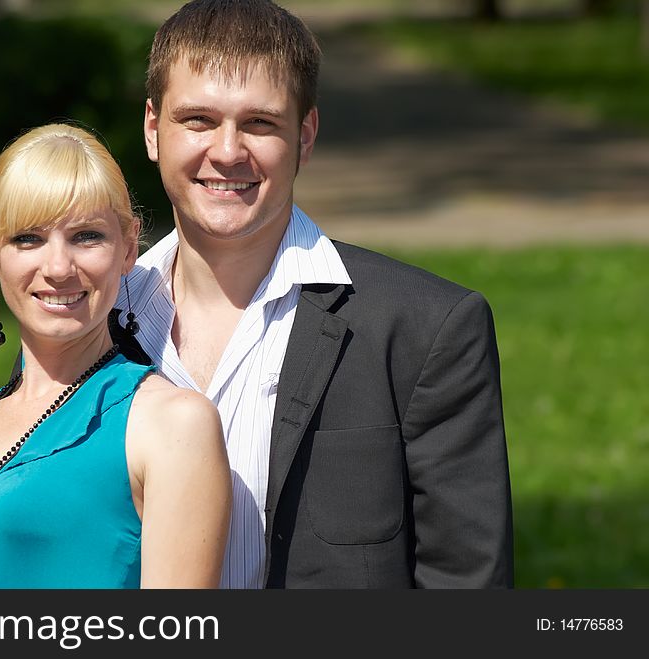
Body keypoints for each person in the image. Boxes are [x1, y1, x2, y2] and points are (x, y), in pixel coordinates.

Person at [111, 0, 514, 588]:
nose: (227, 151)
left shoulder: (425, 330)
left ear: (305, 135)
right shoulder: (93, 319)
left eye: (260, 123)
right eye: (197, 120)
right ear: (153, 129)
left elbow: (469, 585)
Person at [0, 123, 232, 589]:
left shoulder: (171, 425)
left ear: (129, 246)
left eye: (87, 236)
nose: (57, 268)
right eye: (28, 239)